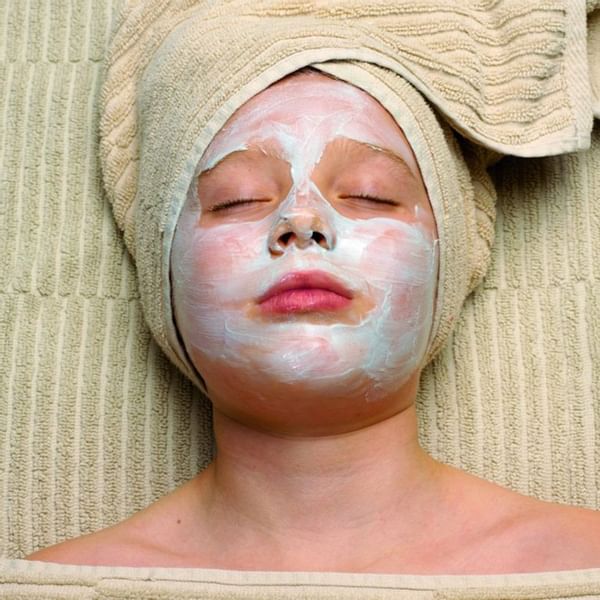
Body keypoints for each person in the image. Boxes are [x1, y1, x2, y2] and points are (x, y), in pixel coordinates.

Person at [26, 70, 600, 573]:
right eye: (237, 200)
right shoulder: (50, 587)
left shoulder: (583, 565)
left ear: (443, 269)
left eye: (369, 195)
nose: (301, 219)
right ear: (165, 283)